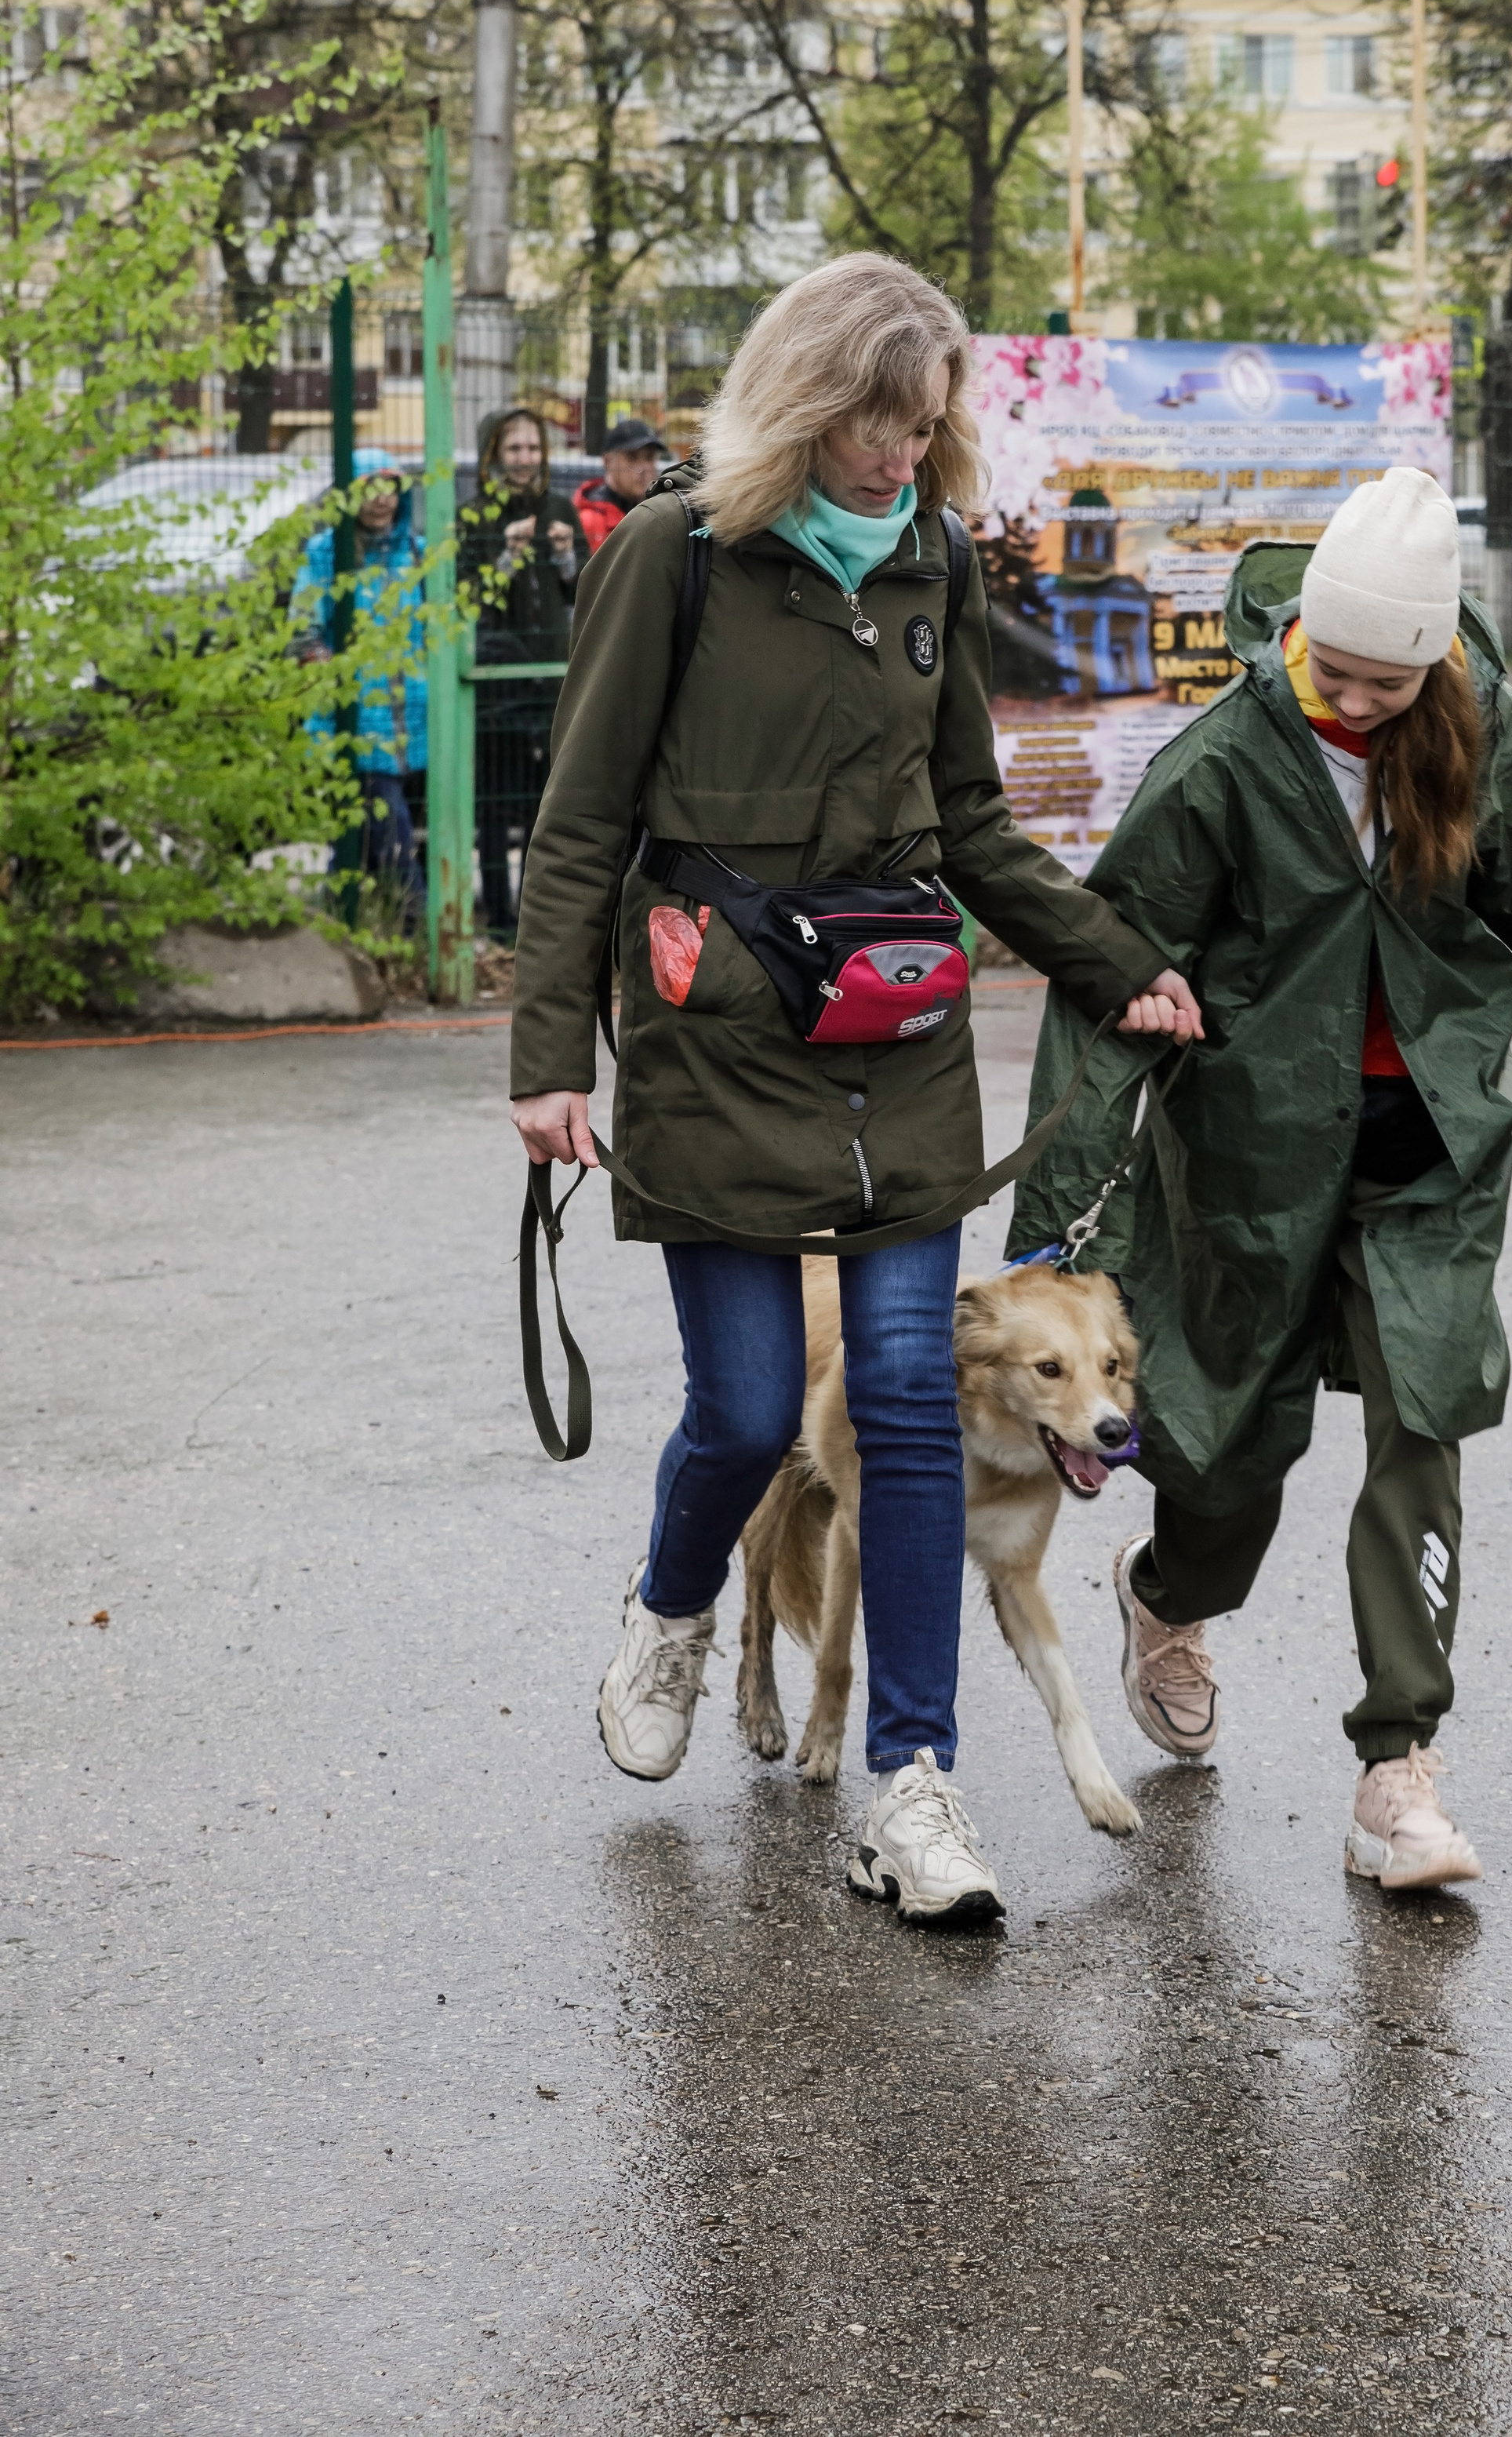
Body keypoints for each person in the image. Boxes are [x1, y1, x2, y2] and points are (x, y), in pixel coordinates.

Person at [506, 253, 1201, 1930]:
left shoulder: (934, 561)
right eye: (874, 422)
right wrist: (548, 1059)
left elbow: (967, 820)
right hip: (716, 1032)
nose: (901, 453)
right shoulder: (675, 553)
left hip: (896, 1046)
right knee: (749, 1415)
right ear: (806, 399)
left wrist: (1111, 959)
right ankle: (673, 1608)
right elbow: (582, 824)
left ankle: (910, 1782)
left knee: (900, 1403)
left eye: (922, 424)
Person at [1008, 467, 1512, 1896]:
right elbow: (1108, 986)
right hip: (1249, 1169)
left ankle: (1397, 1764)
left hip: (1427, 1162)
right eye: (1332, 668)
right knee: (1223, 1463)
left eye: (1385, 679)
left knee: (1422, 1433)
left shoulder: (1480, 735)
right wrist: (1056, 1239)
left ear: (1435, 655)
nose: (1354, 696)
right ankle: (1165, 1597)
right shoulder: (1220, 766)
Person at [291, 446, 427, 926]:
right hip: (353, 720)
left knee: (357, 839)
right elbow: (304, 630)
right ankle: (417, 928)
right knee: (391, 835)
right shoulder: (325, 553)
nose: (381, 499)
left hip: (413, 719)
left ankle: (337, 930)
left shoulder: (417, 552)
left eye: (389, 486)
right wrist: (332, 674)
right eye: (369, 488)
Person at [462, 408, 577, 940]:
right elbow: (470, 599)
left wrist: (564, 555)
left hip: (550, 676)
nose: (525, 459)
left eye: (533, 449)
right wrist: (505, 558)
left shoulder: (559, 508)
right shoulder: (475, 516)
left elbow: (580, 590)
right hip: (496, 681)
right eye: (514, 450)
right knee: (493, 804)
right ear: (495, 457)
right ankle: (500, 917)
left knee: (544, 806)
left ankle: (538, 914)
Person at [572, 417, 669, 555]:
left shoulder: (663, 515)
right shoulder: (587, 521)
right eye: (632, 458)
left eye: (649, 457)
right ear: (608, 462)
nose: (644, 468)